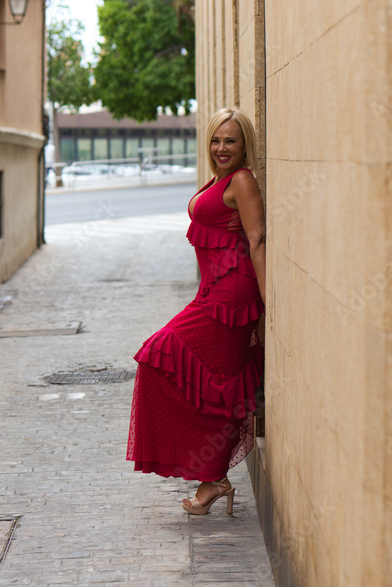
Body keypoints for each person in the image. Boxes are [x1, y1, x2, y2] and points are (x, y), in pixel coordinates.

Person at [127, 107, 266, 515]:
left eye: (231, 141)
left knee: (158, 353)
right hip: (213, 292)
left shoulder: (241, 180)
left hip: (231, 298)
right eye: (216, 140)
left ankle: (213, 478)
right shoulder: (220, 180)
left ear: (245, 147)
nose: (222, 148)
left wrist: (266, 297)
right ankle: (213, 479)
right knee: (217, 384)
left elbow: (256, 238)